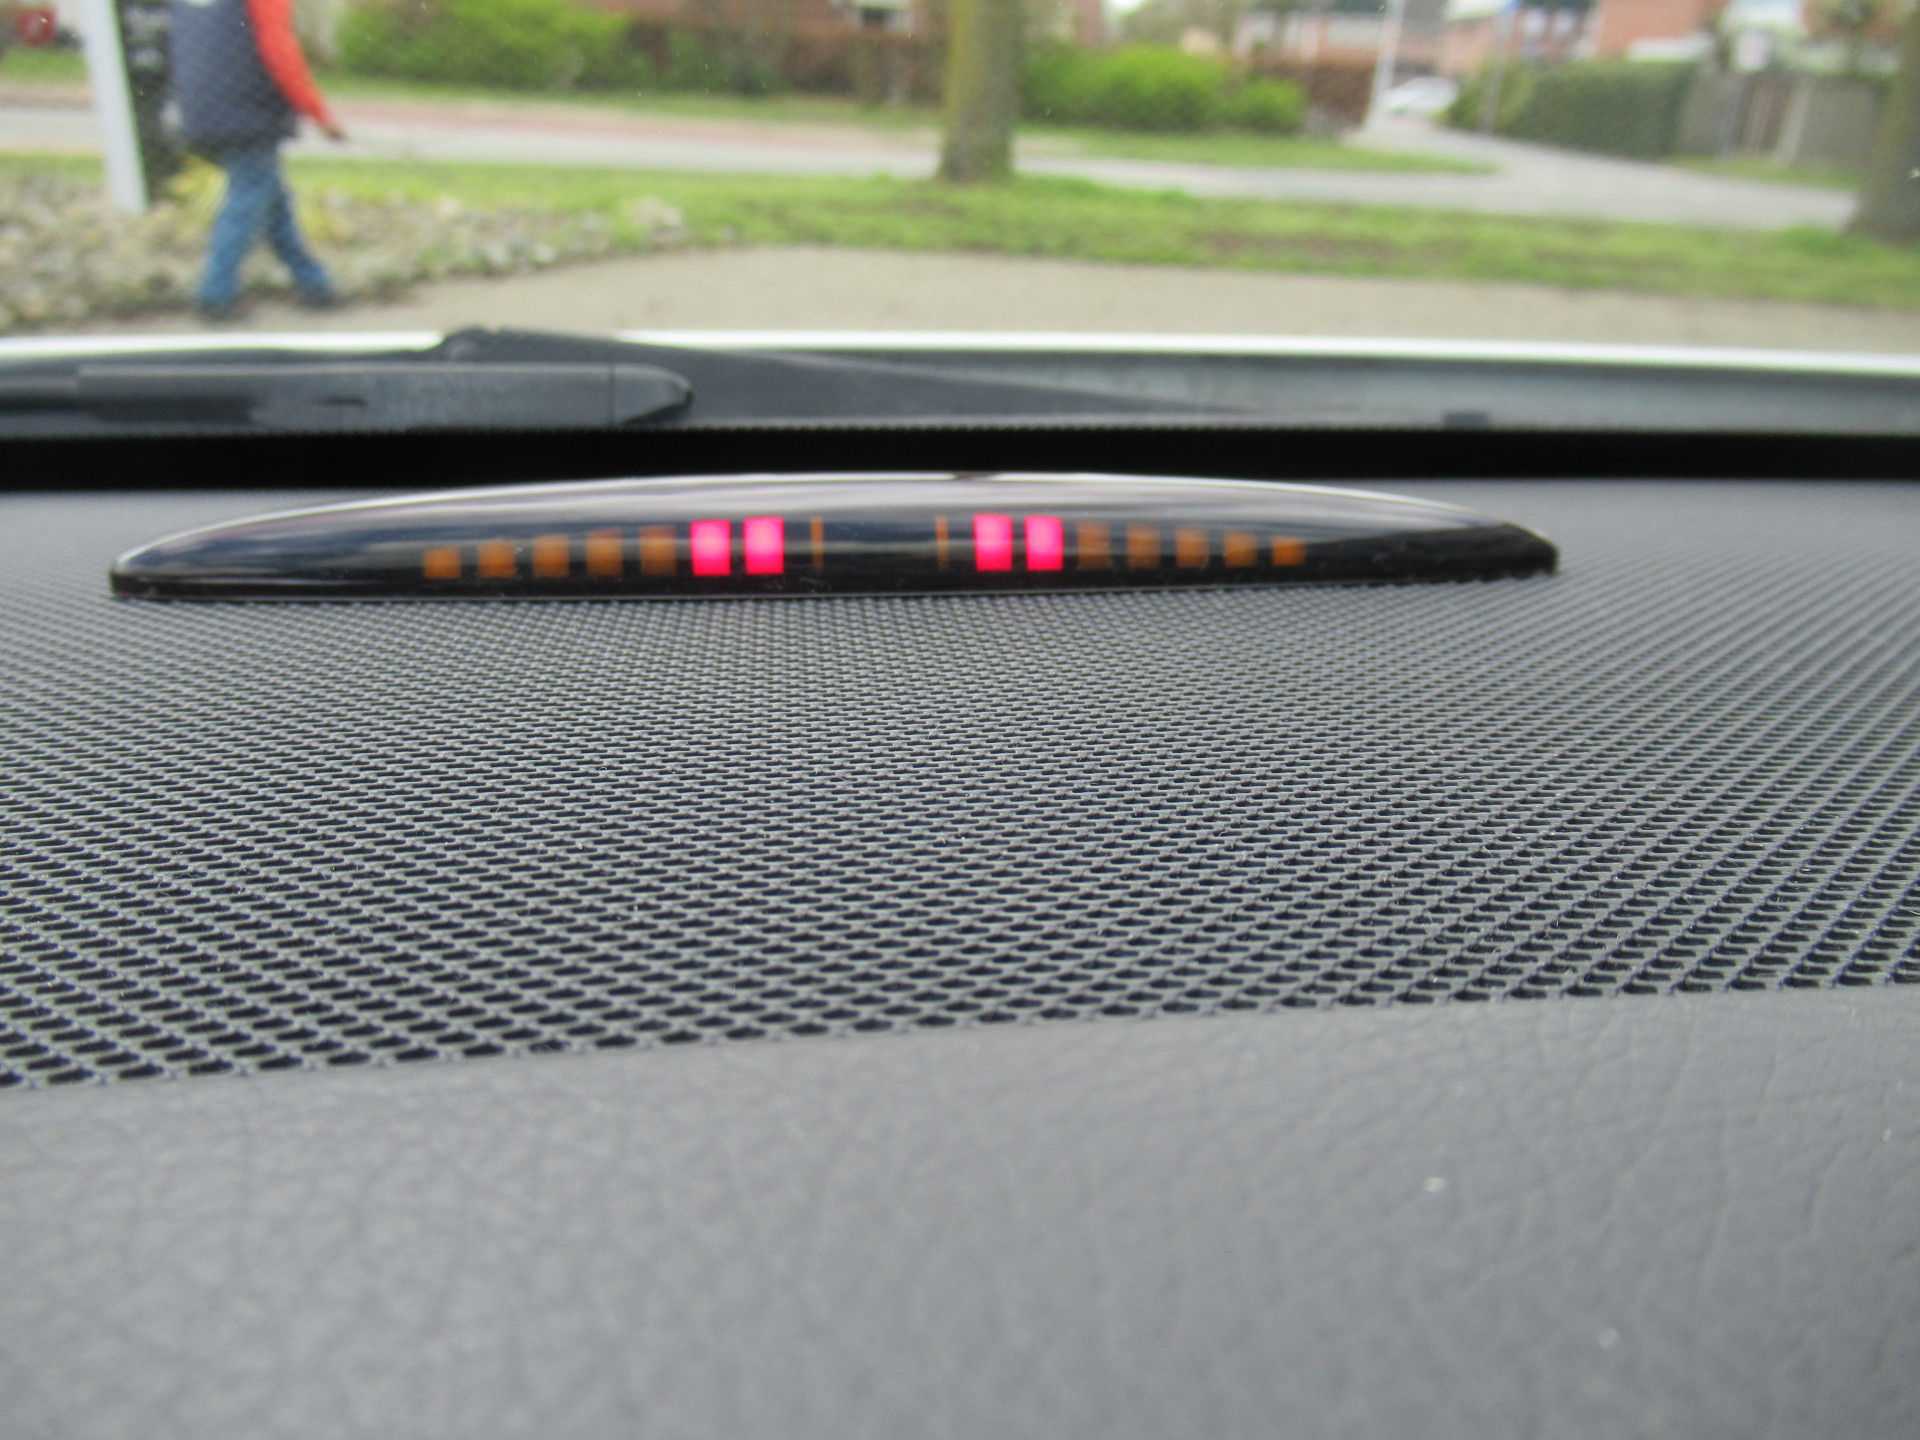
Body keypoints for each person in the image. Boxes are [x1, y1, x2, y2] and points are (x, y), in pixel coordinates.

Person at [168, 0, 348, 319]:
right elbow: (279, 48)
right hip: (247, 108)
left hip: (200, 104)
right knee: (248, 197)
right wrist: (318, 113)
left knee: (271, 198)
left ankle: (314, 284)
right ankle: (214, 295)